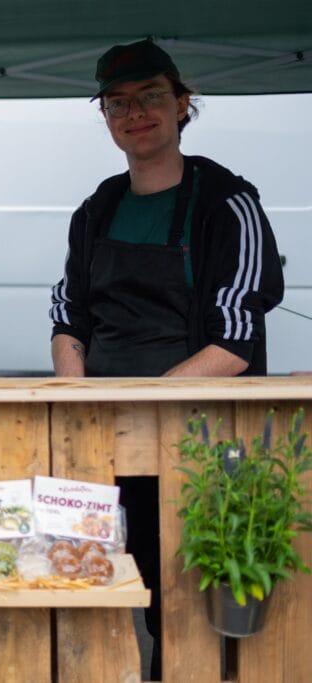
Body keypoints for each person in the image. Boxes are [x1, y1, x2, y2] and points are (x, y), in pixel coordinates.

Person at [49, 39, 284, 679]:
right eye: (118, 102)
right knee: (97, 592)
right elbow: (70, 314)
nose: (135, 113)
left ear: (183, 105)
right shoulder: (96, 209)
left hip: (202, 439)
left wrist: (137, 403)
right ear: (105, 116)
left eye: (152, 96)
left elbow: (233, 341)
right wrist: (81, 403)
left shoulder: (228, 205)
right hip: (104, 437)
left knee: (187, 607)